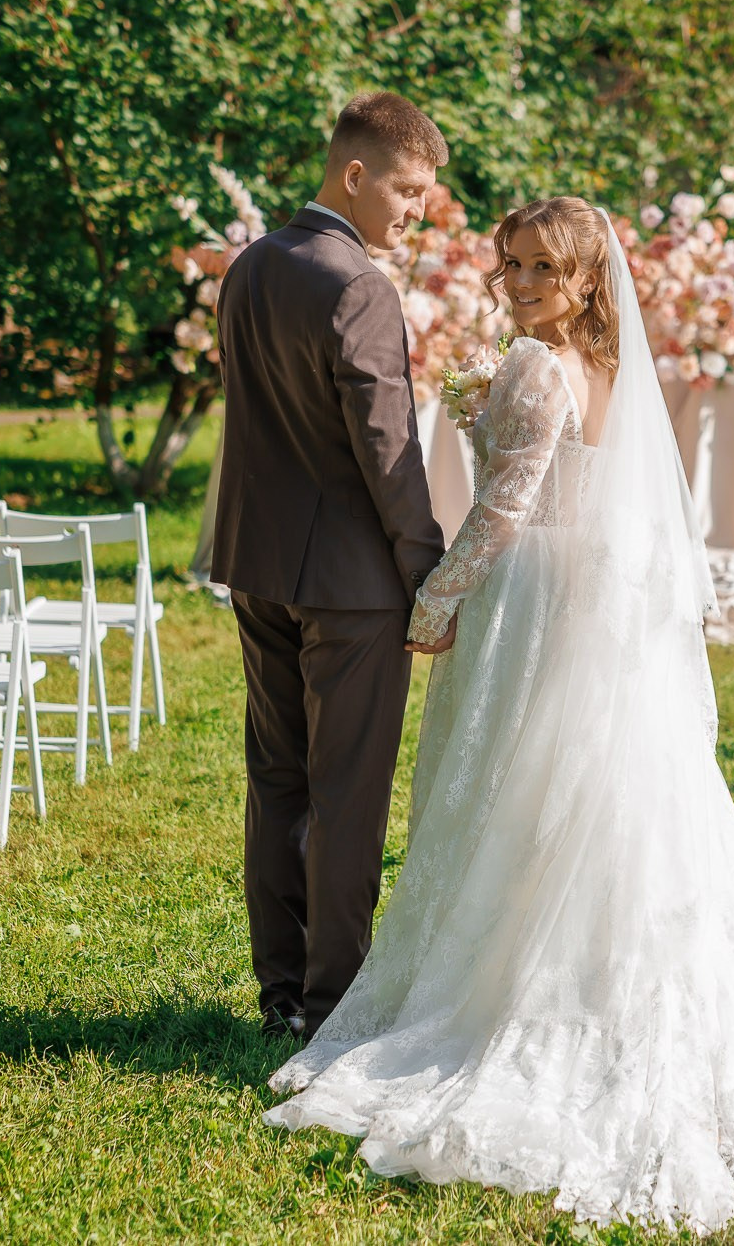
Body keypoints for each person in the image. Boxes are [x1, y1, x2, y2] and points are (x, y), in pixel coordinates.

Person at [263, 196, 734, 1234]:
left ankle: (517, 986)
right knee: (574, 790)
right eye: (513, 265)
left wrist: (438, 594)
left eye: (547, 269)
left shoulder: (538, 365)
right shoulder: (606, 369)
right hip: (589, 591)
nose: (525, 284)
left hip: (535, 596)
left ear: (589, 281)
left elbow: (507, 502)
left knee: (519, 791)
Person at [210, 93, 451, 1041]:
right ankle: (332, 1003)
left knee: (277, 780)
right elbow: (389, 450)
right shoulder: (360, 285)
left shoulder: (251, 266)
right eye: (408, 189)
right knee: (347, 792)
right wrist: (429, 573)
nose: (418, 211)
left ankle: (280, 994)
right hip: (349, 585)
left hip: (257, 563)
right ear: (356, 175)